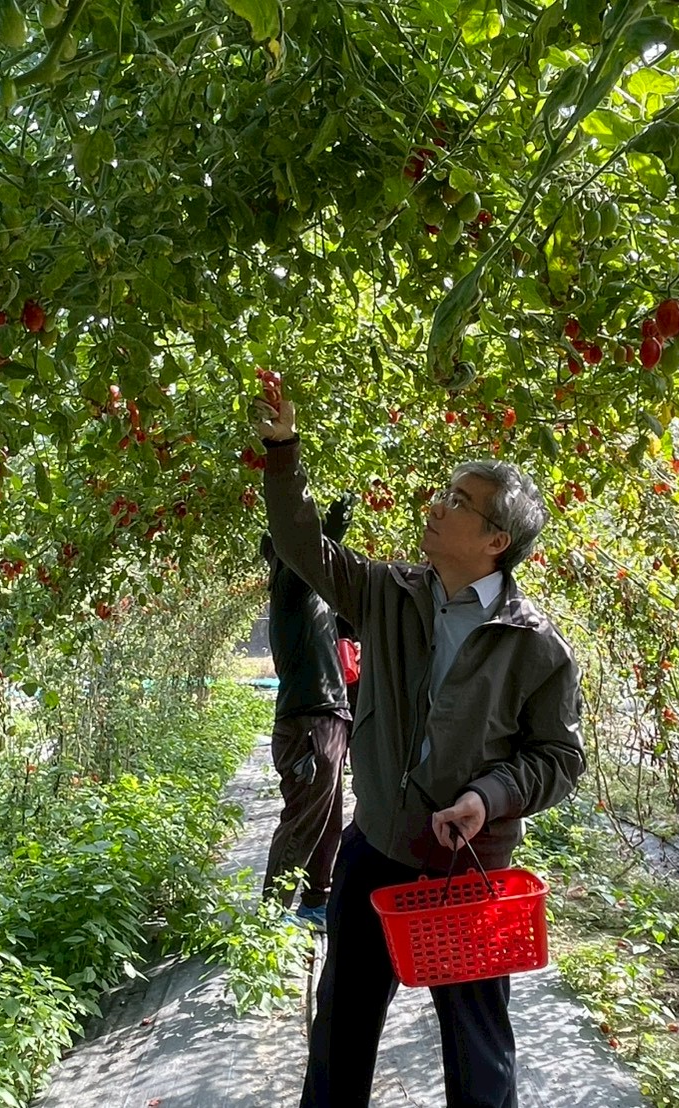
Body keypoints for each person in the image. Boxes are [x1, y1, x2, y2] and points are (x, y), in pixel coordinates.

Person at [255, 393, 587, 1108]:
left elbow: (559, 757)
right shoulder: (388, 593)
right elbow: (299, 543)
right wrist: (283, 453)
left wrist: (484, 798)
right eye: (443, 493)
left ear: (495, 539)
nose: (436, 506)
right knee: (341, 1031)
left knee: (478, 1055)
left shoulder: (535, 647)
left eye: (458, 501)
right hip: (374, 851)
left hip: (466, 871)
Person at [259, 493, 357, 928]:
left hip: (326, 719)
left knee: (326, 817)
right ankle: (271, 916)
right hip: (310, 724)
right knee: (303, 819)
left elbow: (354, 619)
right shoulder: (289, 586)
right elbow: (309, 554)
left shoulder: (314, 601)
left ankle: (317, 900)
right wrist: (333, 526)